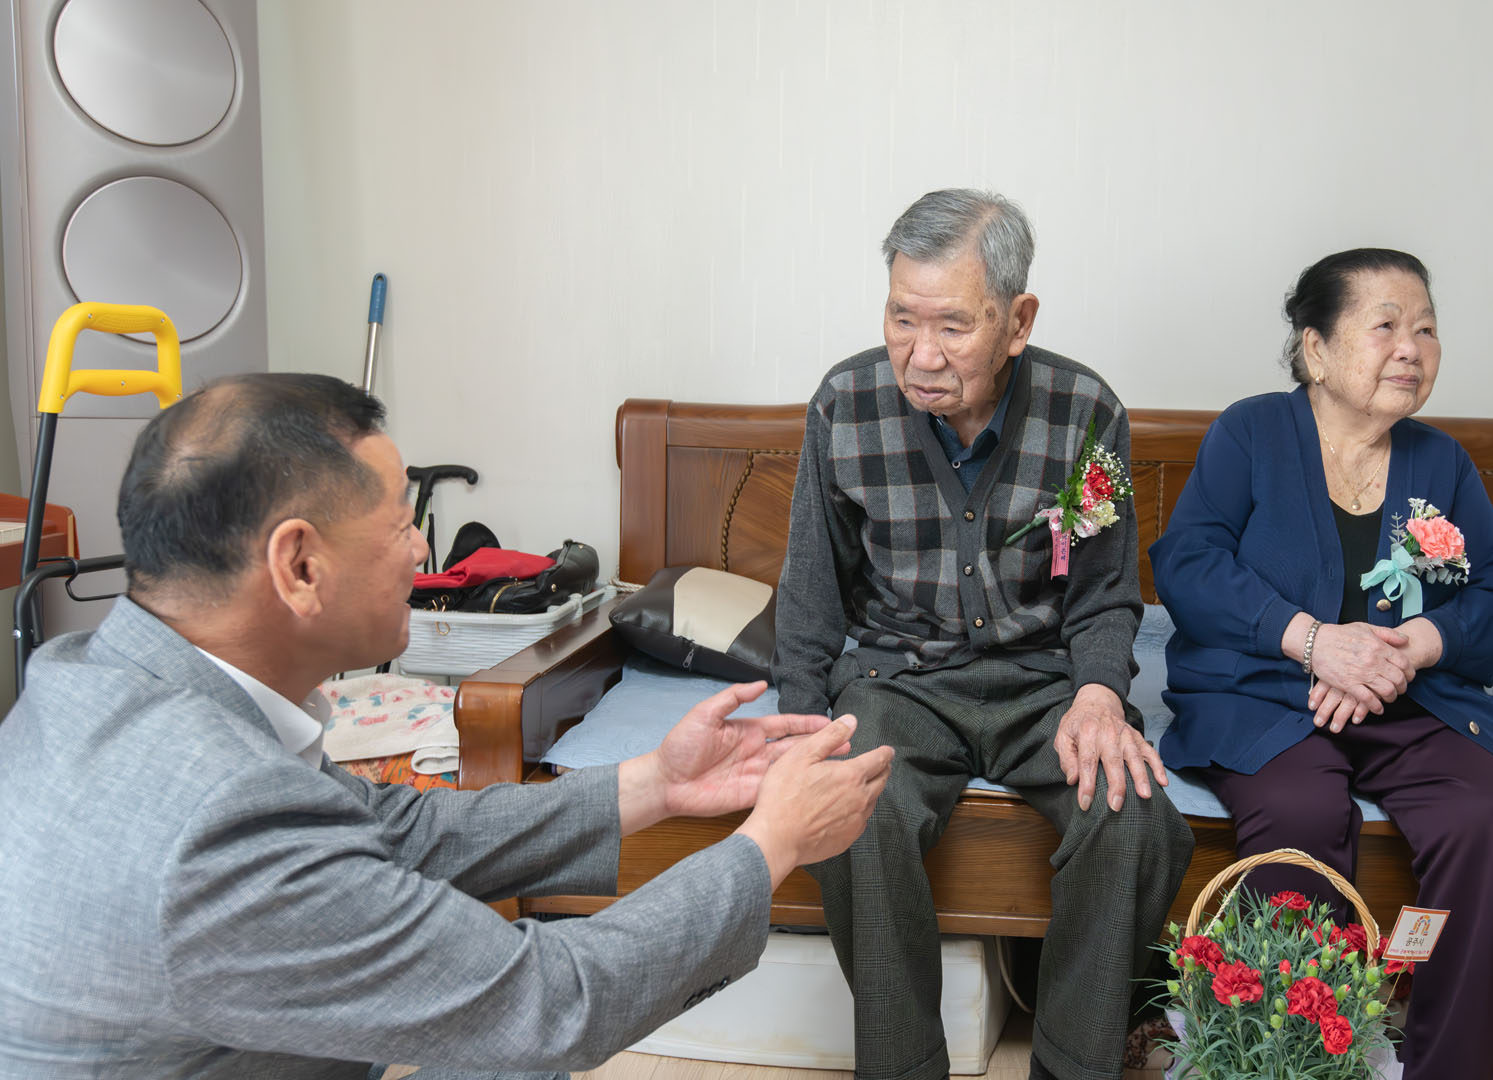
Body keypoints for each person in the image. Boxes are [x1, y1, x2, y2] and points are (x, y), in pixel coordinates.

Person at [0, 373, 893, 1079]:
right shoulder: (213, 821)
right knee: (518, 1038)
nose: (424, 549)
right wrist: (769, 844)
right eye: (400, 523)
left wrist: (655, 782)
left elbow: (395, 831)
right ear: (299, 564)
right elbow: (552, 1002)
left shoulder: (98, 676)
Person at [773, 189, 1194, 1080]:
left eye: (953, 327)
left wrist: (1097, 694)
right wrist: (801, 731)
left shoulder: (1086, 413)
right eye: (902, 318)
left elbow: (1104, 594)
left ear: (1017, 321)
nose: (921, 354)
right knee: (854, 812)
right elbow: (811, 591)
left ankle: (1071, 1067)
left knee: (1136, 821)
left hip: (1045, 684)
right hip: (899, 682)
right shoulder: (845, 405)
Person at [1149, 248, 1493, 1080]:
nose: (1411, 348)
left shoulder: (1441, 462)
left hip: (1409, 701)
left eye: (1426, 330)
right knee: (1300, 812)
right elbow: (1188, 565)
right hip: (1267, 696)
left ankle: (1442, 1067)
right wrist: (1313, 641)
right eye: (1386, 326)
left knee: (1488, 822)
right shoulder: (1251, 433)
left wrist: (1417, 645)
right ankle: (1289, 1062)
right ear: (1317, 349)